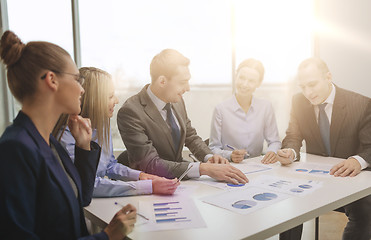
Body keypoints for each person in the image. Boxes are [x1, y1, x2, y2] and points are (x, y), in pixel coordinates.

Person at [0, 30, 136, 240]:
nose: (82, 89)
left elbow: (80, 198)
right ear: (52, 80)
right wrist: (107, 236)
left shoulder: (48, 141)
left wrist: (84, 148)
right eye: (77, 79)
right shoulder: (16, 148)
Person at [117, 49, 248, 184]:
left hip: (178, 179)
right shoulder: (130, 112)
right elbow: (150, 164)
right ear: (162, 81)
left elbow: (190, 135)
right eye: (182, 82)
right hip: (151, 183)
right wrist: (204, 169)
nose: (188, 88)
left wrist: (208, 157)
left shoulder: (176, 100)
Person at [276, 57, 371, 240]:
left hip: (350, 181)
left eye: (312, 84)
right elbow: (293, 137)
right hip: (314, 178)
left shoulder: (361, 104)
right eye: (302, 87)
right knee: (289, 207)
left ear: (328, 77)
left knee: (365, 213)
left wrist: (357, 160)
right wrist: (291, 152)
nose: (308, 93)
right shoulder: (298, 102)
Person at [54, 67, 179, 197]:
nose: (117, 101)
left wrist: (142, 176)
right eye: (110, 96)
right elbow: (89, 184)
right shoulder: (65, 136)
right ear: (94, 100)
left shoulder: (102, 126)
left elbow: (109, 165)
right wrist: (148, 187)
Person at [209, 58, 281, 163]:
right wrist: (230, 155)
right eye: (242, 78)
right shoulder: (221, 109)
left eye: (251, 81)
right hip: (230, 166)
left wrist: (272, 152)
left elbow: (274, 141)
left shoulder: (265, 107)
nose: (245, 84)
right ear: (236, 76)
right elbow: (213, 148)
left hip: (258, 166)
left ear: (259, 83)